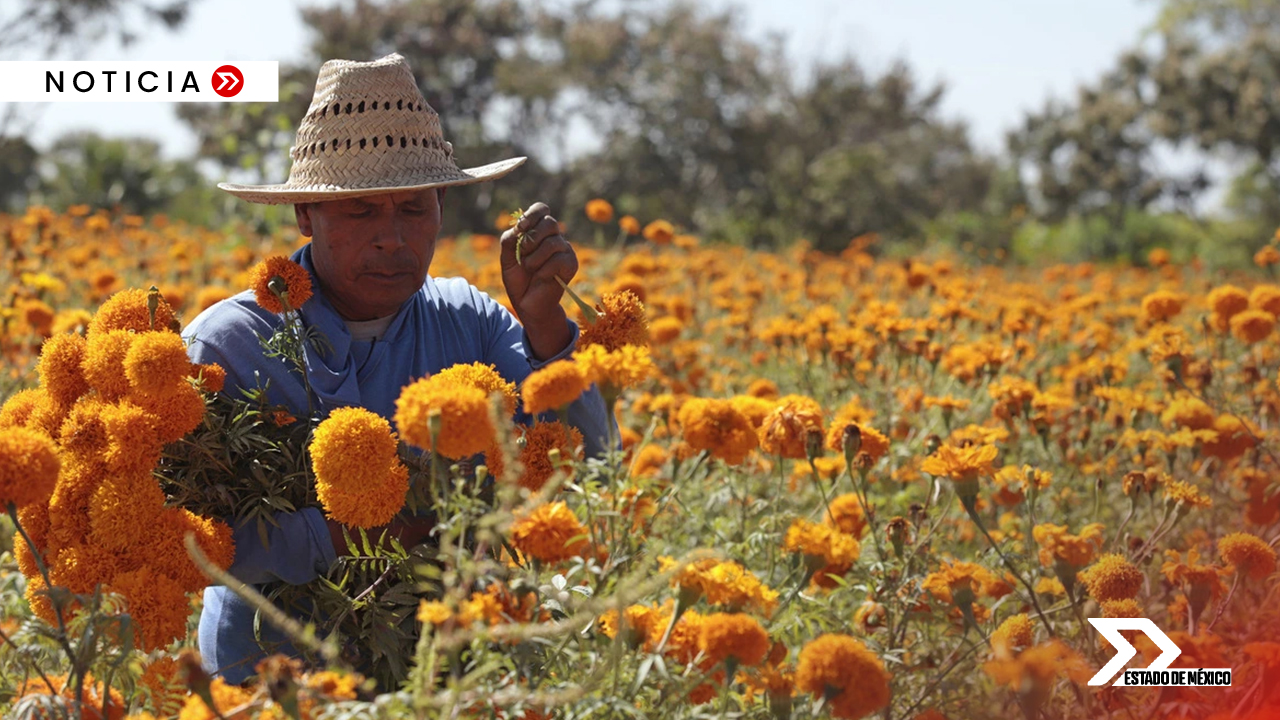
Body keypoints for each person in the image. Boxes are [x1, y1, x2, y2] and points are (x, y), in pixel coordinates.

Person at [182, 53, 613, 684]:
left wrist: (548, 329)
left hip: (447, 676)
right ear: (307, 215)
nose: (392, 237)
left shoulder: (471, 321)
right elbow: (191, 543)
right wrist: (356, 531)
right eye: (361, 210)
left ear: (441, 207)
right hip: (273, 681)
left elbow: (588, 473)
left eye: (414, 208)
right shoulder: (229, 347)